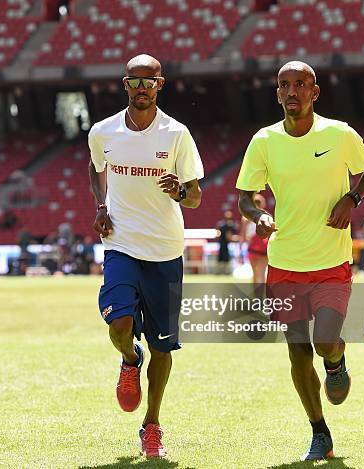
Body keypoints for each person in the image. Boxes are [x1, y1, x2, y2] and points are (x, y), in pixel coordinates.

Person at [236, 61, 364, 461]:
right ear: (278, 93)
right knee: (297, 351)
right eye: (285, 85)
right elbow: (245, 197)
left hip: (331, 262)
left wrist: (352, 199)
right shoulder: (263, 141)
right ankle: (319, 432)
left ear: (315, 93)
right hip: (284, 265)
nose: (292, 91)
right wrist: (258, 215)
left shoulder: (338, 133)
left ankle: (336, 362)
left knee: (324, 343)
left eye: (301, 84)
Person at [88, 54, 203, 458]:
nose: (141, 88)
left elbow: (195, 196)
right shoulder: (103, 132)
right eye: (134, 81)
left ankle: (152, 424)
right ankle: (127, 358)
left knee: (164, 347)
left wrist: (178, 191)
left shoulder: (176, 134)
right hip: (121, 244)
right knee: (119, 324)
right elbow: (95, 168)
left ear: (160, 84)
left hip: (166, 250)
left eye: (148, 81)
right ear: (125, 85)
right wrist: (101, 205)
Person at [240, 193, 269, 296]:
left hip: (252, 248)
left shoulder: (246, 218)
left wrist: (240, 250)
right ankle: (262, 296)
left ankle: (257, 296)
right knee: (261, 273)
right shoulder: (267, 217)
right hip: (264, 248)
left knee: (255, 274)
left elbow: (243, 236)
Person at [216, 210, 238, 274]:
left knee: (224, 258)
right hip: (224, 243)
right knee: (223, 258)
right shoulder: (226, 224)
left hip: (226, 243)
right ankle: (222, 271)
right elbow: (229, 235)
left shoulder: (225, 224)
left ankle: (223, 271)